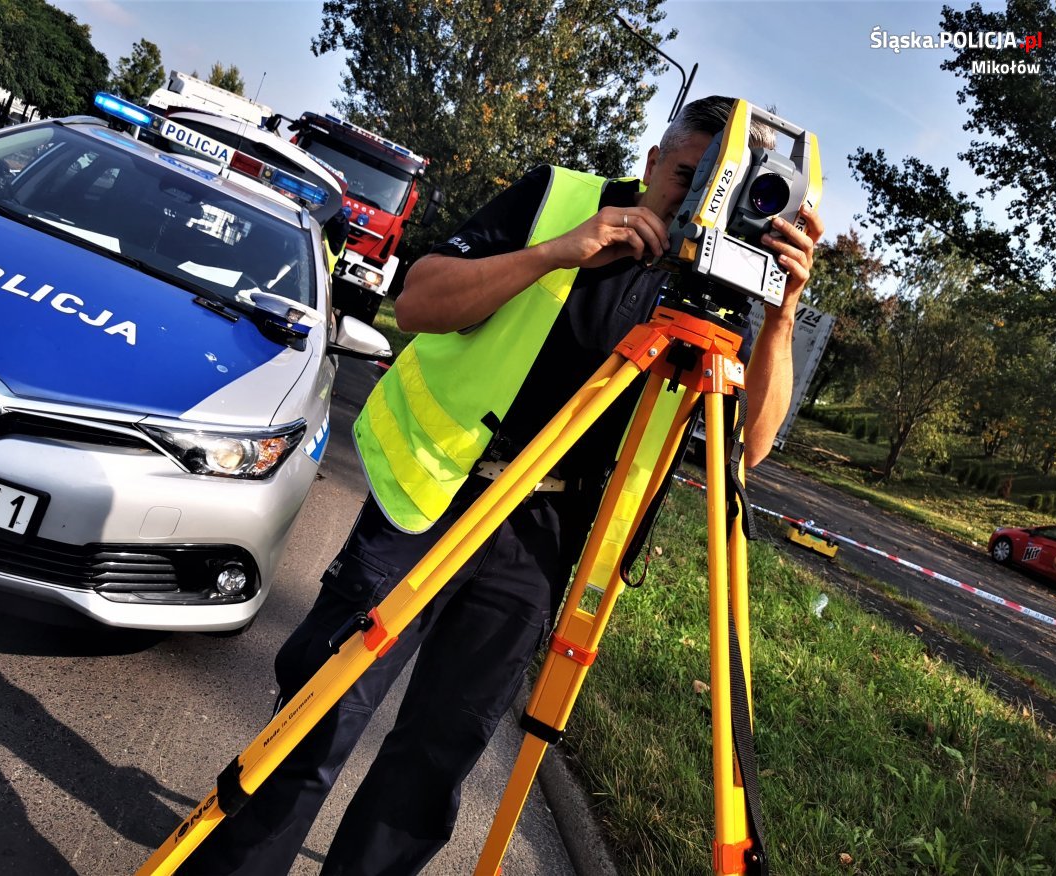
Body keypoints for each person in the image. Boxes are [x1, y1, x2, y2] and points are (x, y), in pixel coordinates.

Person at [180, 95, 823, 876]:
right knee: (321, 711)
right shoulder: (561, 199)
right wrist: (556, 252)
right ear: (652, 162)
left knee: (434, 761)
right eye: (688, 179)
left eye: (720, 193)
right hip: (438, 492)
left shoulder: (722, 285)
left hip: (546, 540)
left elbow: (746, 452)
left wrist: (783, 311)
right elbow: (417, 300)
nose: (697, 209)